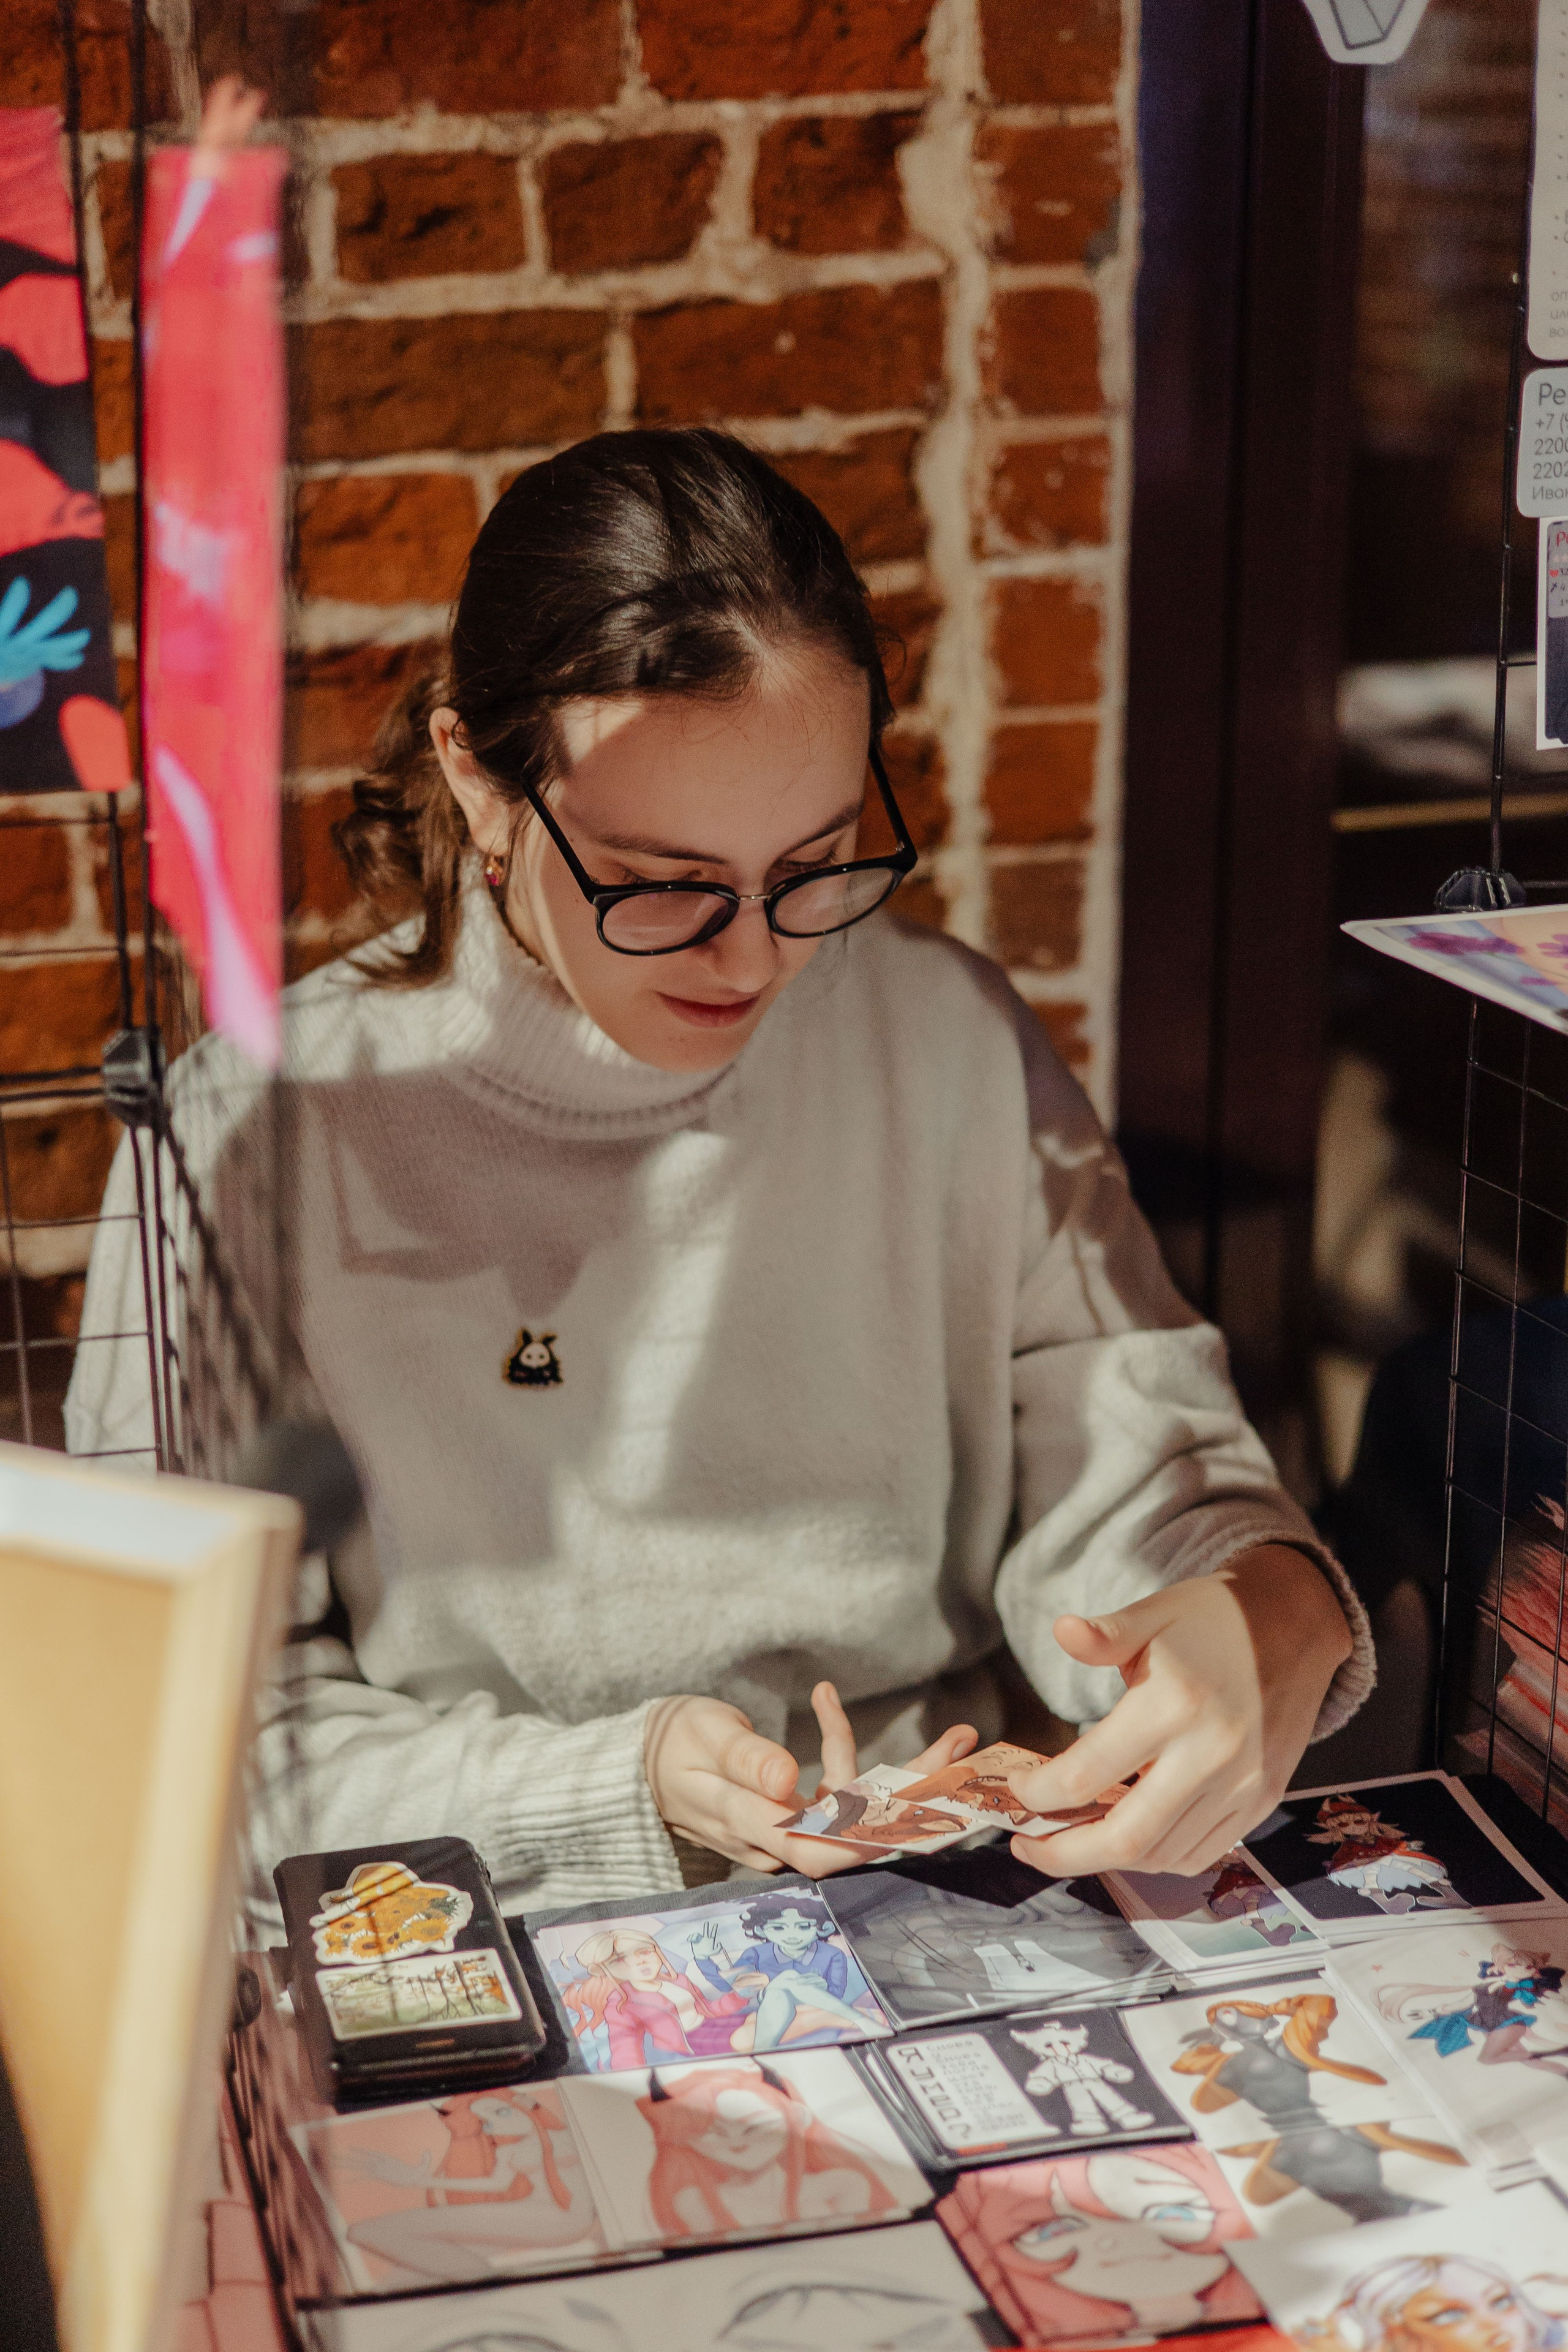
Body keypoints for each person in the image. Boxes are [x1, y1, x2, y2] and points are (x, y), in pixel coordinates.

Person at [66, 428, 1370, 1912]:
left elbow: (1138, 1461)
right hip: (485, 1935)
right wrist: (610, 1794)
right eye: (659, 887)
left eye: (813, 861)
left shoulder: (936, 1032)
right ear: (480, 784)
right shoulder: (253, 1128)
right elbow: (173, 1732)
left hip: (943, 1898)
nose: (757, 956)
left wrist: (1260, 1606)